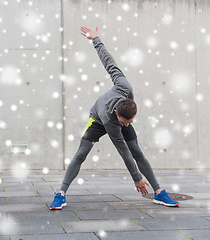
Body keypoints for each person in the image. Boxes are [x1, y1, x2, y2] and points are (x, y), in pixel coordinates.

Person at [50, 26, 179, 210]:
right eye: (126, 122)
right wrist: (137, 178)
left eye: (131, 121)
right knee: (80, 155)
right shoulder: (110, 121)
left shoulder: (124, 87)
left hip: (115, 115)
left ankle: (159, 192)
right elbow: (123, 151)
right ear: (117, 114)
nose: (128, 124)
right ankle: (61, 194)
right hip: (97, 119)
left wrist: (96, 39)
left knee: (138, 151)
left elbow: (109, 62)